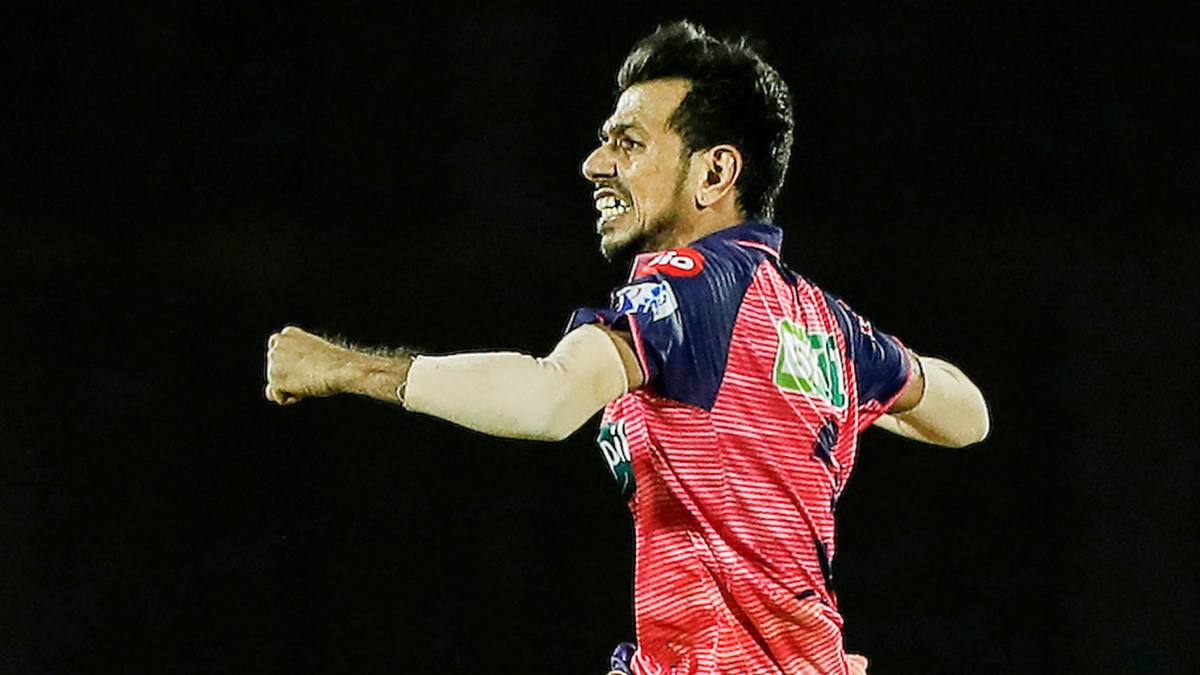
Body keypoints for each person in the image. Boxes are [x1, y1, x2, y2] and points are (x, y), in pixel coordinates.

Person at [265, 20, 989, 675]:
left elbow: (547, 399)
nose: (594, 163)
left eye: (629, 143)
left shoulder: (689, 286)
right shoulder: (823, 323)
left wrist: (341, 368)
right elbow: (967, 414)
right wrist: (841, 395)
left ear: (714, 173)